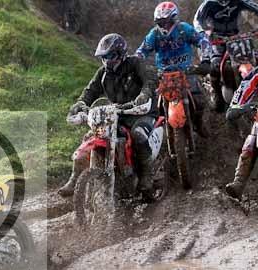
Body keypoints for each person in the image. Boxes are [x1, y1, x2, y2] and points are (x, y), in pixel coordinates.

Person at [60, 33, 157, 202]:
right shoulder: (103, 73)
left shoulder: (136, 63)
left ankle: (146, 177)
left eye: (110, 56)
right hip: (117, 114)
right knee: (90, 137)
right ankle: (75, 179)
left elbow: (150, 79)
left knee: (138, 135)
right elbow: (90, 91)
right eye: (104, 57)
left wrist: (144, 94)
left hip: (141, 112)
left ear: (121, 54)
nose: (107, 61)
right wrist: (81, 103)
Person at [137, 2, 211, 136]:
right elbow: (142, 51)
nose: (165, 26)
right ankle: (158, 131)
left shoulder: (184, 29)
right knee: (153, 104)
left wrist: (205, 60)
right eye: (161, 23)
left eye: (168, 22)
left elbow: (202, 41)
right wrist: (137, 64)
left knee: (199, 100)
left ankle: (198, 123)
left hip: (186, 71)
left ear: (175, 19)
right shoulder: (154, 34)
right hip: (164, 74)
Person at [194, 0, 258, 111]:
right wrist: (203, 33)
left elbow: (255, 7)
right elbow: (197, 21)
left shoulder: (239, 1)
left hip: (236, 37)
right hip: (217, 40)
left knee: (254, 58)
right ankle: (216, 93)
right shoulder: (209, 4)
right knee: (215, 65)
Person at [224, 66, 258, 199]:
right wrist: (238, 107)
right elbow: (240, 96)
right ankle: (239, 182)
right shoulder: (254, 76)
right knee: (251, 140)